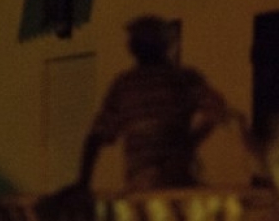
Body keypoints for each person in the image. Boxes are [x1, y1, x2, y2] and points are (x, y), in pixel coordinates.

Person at [72, 15, 228, 192]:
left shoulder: (125, 85)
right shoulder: (183, 78)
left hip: (143, 183)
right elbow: (217, 109)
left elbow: (97, 136)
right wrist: (188, 143)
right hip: (176, 181)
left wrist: (82, 183)